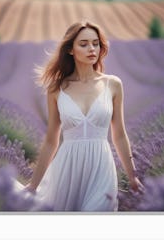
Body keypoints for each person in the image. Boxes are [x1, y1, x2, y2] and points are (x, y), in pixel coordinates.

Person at [24, 20, 144, 211]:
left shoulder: (112, 84)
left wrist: (132, 176)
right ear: (71, 49)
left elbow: (119, 134)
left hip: (101, 169)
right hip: (67, 169)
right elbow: (51, 141)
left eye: (95, 43)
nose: (92, 49)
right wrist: (33, 185)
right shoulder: (57, 88)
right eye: (84, 44)